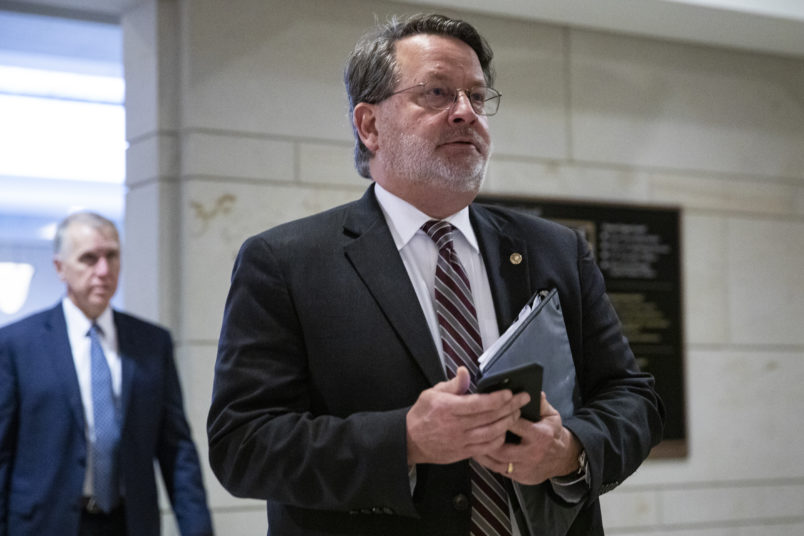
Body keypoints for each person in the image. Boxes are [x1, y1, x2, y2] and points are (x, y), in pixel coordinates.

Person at [207, 13, 664, 536]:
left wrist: (569, 451)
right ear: (370, 125)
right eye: (438, 93)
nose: (466, 113)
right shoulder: (285, 262)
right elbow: (241, 444)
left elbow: (634, 399)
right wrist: (405, 440)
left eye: (477, 95)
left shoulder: (554, 250)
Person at [0, 212, 214, 536]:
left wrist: (197, 528)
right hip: (44, 523)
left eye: (111, 256)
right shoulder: (17, 344)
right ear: (60, 267)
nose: (103, 270)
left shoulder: (152, 343)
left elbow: (177, 449)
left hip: (128, 522)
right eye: (89, 258)